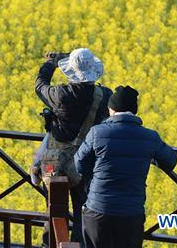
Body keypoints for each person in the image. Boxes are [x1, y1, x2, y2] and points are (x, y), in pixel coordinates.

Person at [74, 85, 177, 248]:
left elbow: (79, 163)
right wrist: (147, 156)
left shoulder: (97, 132)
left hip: (98, 208)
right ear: (134, 111)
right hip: (131, 213)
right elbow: (171, 161)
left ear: (112, 109)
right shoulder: (149, 137)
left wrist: (95, 174)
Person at [34, 47, 112, 247]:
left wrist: (51, 63)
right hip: (85, 161)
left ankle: (48, 244)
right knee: (83, 210)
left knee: (52, 206)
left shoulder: (60, 94)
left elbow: (40, 85)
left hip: (54, 161)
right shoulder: (103, 95)